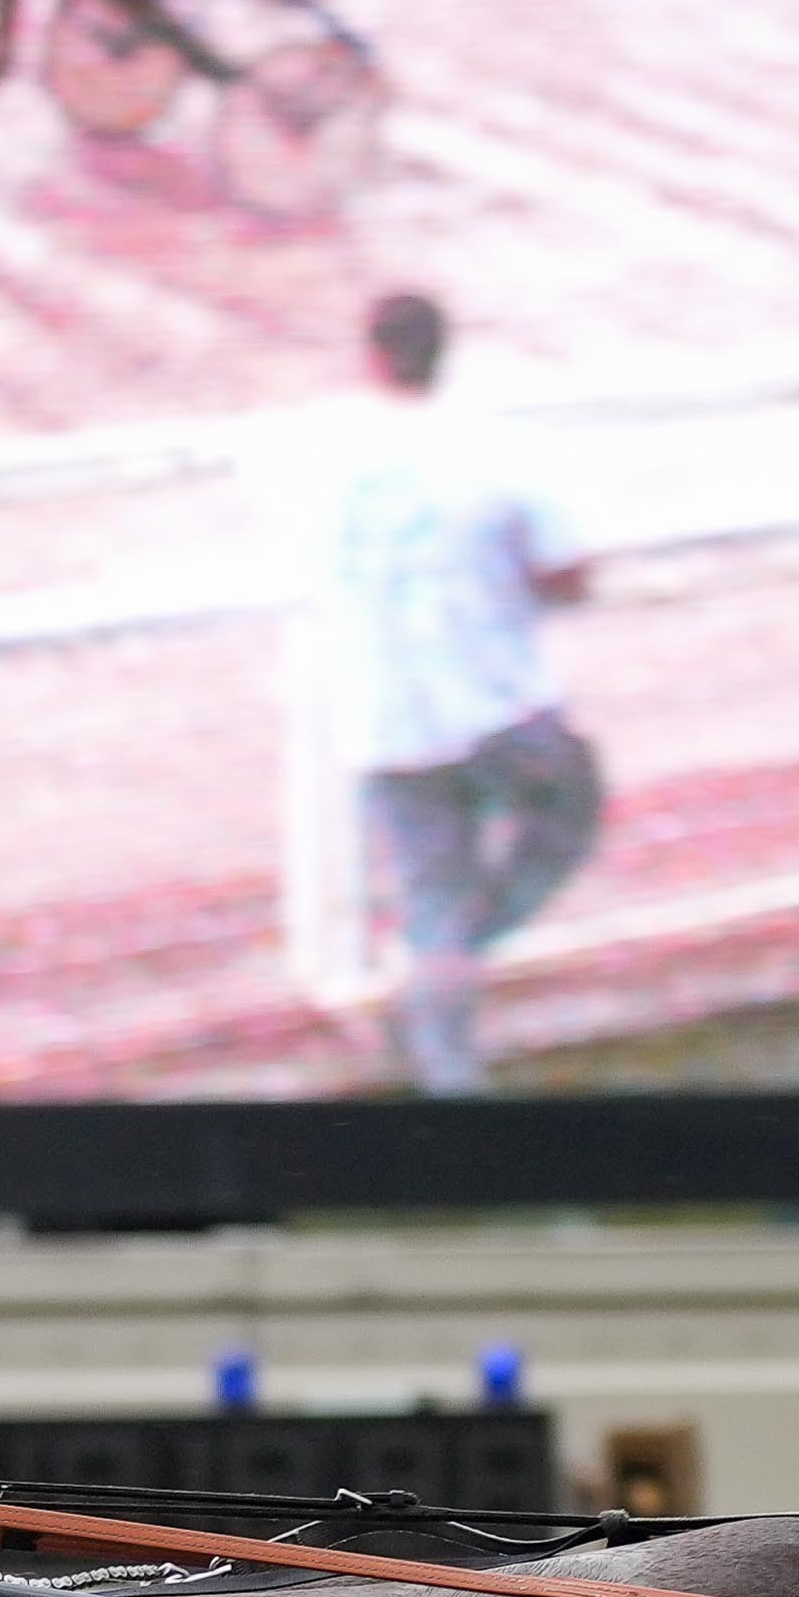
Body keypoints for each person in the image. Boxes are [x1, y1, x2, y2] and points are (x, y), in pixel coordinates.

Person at [297, 288, 603, 1096]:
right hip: (500, 709)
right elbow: (569, 574)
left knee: (432, 893)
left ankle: (444, 1049)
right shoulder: (499, 448)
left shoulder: (314, 453)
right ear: (447, 353)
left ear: (367, 354)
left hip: (383, 721)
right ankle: (448, 967)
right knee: (566, 819)